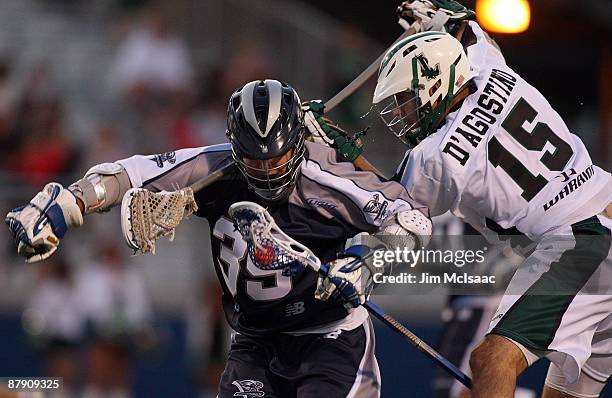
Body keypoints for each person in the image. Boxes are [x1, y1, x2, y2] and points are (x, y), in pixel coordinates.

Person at [5, 79, 432, 398]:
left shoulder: (327, 178)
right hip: (256, 342)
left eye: (278, 156)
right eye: (254, 157)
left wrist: (368, 262)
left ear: (299, 143)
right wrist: (67, 202)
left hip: (331, 337)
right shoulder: (216, 168)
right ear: (234, 145)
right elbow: (128, 173)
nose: (266, 169)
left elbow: (411, 220)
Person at [305, 1, 612, 396]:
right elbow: (467, 25)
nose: (404, 112)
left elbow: (387, 208)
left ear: (434, 86)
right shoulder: (492, 70)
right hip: (601, 208)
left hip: (580, 242)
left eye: (407, 100)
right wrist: (441, 15)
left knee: (491, 359)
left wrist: (339, 152)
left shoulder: (436, 156)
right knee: (564, 392)